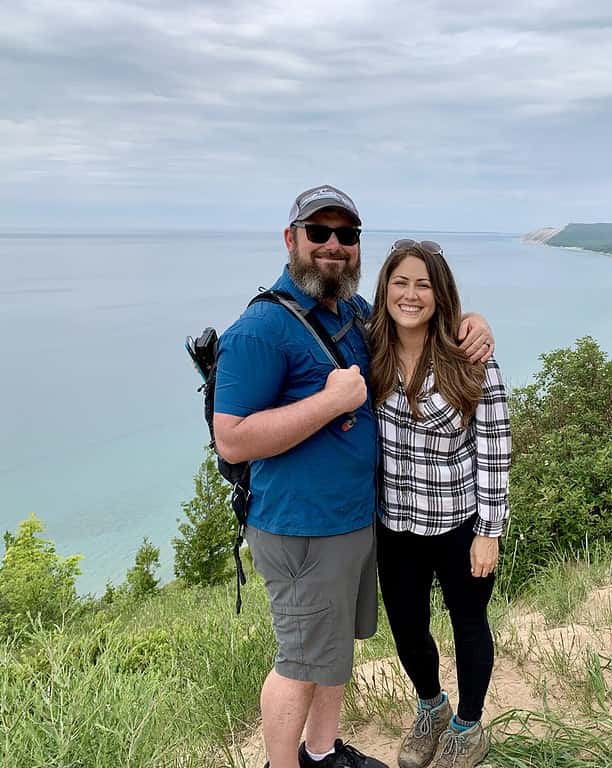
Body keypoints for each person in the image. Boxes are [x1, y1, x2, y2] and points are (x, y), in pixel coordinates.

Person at [212, 187, 493, 768]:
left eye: (347, 235)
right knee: (301, 658)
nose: (334, 246)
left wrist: (472, 320)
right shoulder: (262, 328)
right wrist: (328, 402)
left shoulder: (353, 315)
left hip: (357, 522)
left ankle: (322, 752)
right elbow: (232, 438)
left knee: (332, 651)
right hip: (302, 527)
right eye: (319, 233)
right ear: (291, 240)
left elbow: (419, 321)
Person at [368, 240, 511, 768]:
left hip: (459, 524)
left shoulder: (469, 358)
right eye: (400, 282)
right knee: (407, 628)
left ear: (440, 292)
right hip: (395, 526)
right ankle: (431, 706)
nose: (410, 294)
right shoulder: (369, 352)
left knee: (469, 624)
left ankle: (468, 727)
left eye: (423, 284)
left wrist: (489, 530)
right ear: (384, 289)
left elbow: (494, 443)